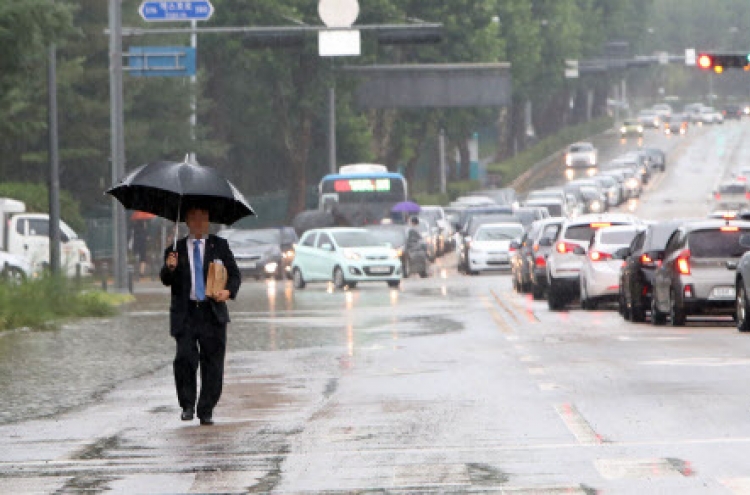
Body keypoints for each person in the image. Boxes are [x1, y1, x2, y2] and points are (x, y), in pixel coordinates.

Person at [160, 205, 241, 426]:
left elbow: (234, 275)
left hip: (212, 312)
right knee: (185, 358)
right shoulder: (175, 249)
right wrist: (170, 267)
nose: (199, 223)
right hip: (186, 313)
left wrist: (228, 292)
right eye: (194, 218)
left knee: (213, 363)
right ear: (186, 221)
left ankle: (206, 409)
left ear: (208, 221)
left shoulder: (219, 246)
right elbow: (165, 279)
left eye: (203, 218)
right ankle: (187, 404)